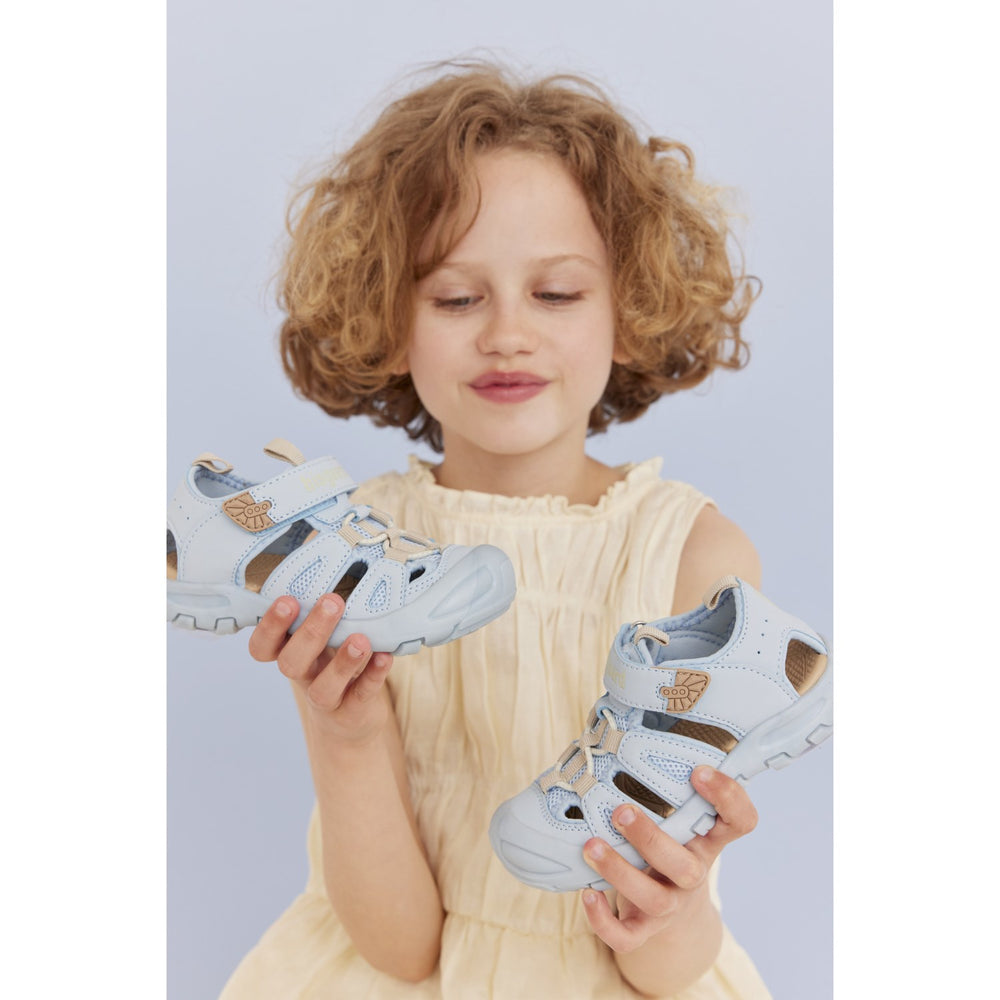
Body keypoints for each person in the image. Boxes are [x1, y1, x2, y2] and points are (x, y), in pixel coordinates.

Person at [219, 61, 774, 999]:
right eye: (455, 298)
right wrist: (344, 733)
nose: (507, 333)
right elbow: (401, 952)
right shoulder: (351, 551)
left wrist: (671, 910)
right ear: (389, 318)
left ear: (629, 310)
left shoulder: (696, 562)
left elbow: (666, 968)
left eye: (555, 294)